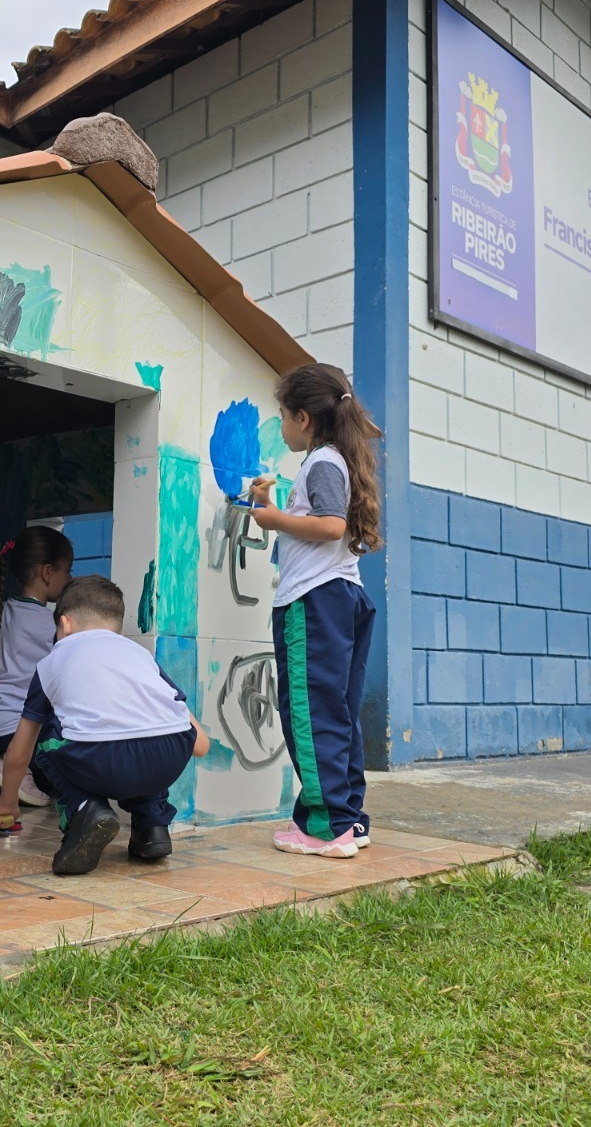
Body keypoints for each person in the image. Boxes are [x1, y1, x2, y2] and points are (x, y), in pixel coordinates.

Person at [246, 363, 383, 860]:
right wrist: (274, 504)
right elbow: (321, 522)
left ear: (303, 417)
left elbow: (327, 525)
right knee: (338, 712)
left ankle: (326, 828)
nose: (280, 428)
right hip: (341, 596)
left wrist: (271, 517)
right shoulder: (338, 458)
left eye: (282, 417)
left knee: (309, 713)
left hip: (314, 601)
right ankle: (348, 819)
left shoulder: (322, 461)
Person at [0, 575, 210, 876]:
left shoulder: (51, 663)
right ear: (115, 627)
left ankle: (85, 810)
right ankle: (152, 828)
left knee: (46, 733)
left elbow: (19, 752)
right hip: (169, 758)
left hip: (101, 761)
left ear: (65, 625)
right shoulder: (140, 656)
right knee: (151, 729)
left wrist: (7, 805)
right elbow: (200, 744)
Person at [0, 525, 73, 814]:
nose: (69, 578)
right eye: (67, 571)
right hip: (17, 735)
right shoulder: (50, 623)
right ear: (47, 572)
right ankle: (14, 767)